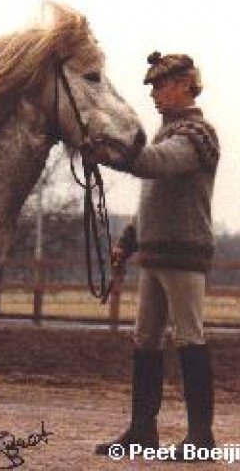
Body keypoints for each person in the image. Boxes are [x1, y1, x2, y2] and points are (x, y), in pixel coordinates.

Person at [92, 51, 219, 461]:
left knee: (189, 338)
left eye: (162, 85)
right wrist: (129, 240)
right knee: (145, 340)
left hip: (184, 257)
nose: (155, 94)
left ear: (186, 84)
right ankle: (141, 430)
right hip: (154, 257)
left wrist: (111, 151)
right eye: (153, 87)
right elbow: (154, 200)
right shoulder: (167, 134)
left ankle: (201, 436)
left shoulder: (198, 136)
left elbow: (156, 165)